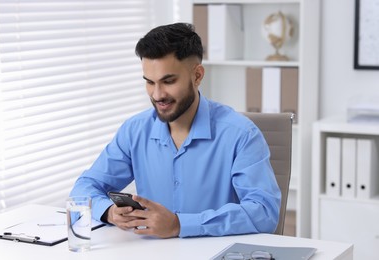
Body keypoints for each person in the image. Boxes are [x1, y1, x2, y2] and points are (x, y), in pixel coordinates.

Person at [69, 22, 281, 239]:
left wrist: (180, 224)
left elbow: (264, 213)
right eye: (150, 82)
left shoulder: (241, 134)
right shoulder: (135, 131)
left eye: (168, 81)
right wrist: (109, 212)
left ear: (197, 76)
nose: (157, 94)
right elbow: (84, 188)